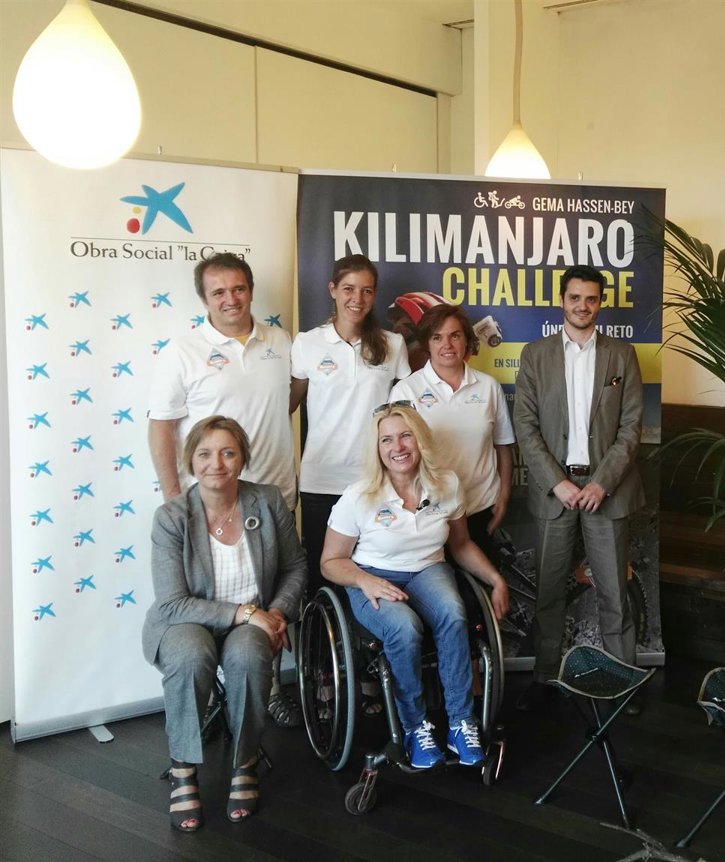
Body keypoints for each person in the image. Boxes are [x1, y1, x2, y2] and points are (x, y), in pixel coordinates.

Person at [148, 252, 300, 727]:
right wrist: (175, 497)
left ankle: (268, 688)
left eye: (238, 288)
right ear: (204, 299)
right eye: (218, 292)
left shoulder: (280, 341)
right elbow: (161, 426)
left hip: (276, 492)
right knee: (216, 594)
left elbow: (287, 399)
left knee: (272, 592)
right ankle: (216, 689)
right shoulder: (182, 351)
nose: (230, 299)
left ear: (250, 290)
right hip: (213, 500)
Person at [321, 403, 510, 769]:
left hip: (428, 569)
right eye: (387, 439)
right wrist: (365, 580)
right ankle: (415, 726)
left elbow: (460, 545)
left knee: (453, 613)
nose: (398, 447)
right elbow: (330, 562)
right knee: (403, 628)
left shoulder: (447, 484)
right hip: (371, 574)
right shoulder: (358, 496)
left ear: (420, 439)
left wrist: (496, 579)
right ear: (377, 448)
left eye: (406, 436)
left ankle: (461, 723)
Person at [142, 416, 306, 832]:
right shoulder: (172, 517)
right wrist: (246, 613)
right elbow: (173, 602)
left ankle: (245, 762)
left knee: (249, 655)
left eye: (228, 452)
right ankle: (183, 768)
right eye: (205, 453)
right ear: (190, 461)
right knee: (189, 655)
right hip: (185, 621)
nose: (216, 463)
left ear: (242, 458)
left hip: (253, 623)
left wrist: (277, 613)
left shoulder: (267, 501)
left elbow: (295, 567)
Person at [512, 264, 645, 713]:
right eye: (575, 298)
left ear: (600, 303)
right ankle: (546, 676)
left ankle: (622, 682)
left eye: (591, 298)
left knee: (614, 593)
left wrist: (602, 482)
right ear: (562, 301)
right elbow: (525, 426)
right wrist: (558, 483)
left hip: (608, 489)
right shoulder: (536, 355)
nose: (582, 306)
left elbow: (631, 427)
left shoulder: (622, 355)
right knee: (549, 592)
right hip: (556, 491)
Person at [290, 255, 410, 587]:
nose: (357, 299)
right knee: (323, 575)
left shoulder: (393, 344)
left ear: (374, 295)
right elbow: (286, 404)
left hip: (374, 479)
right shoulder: (307, 343)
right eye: (348, 289)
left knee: (373, 573)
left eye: (366, 291)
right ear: (332, 290)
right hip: (321, 479)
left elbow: (405, 415)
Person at [388, 303, 514, 558]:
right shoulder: (406, 390)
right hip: (429, 513)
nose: (447, 345)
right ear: (427, 343)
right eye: (437, 337)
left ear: (466, 340)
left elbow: (503, 446)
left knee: (482, 583)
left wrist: (503, 498)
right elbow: (394, 454)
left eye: (455, 336)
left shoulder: (488, 387)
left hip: (481, 509)